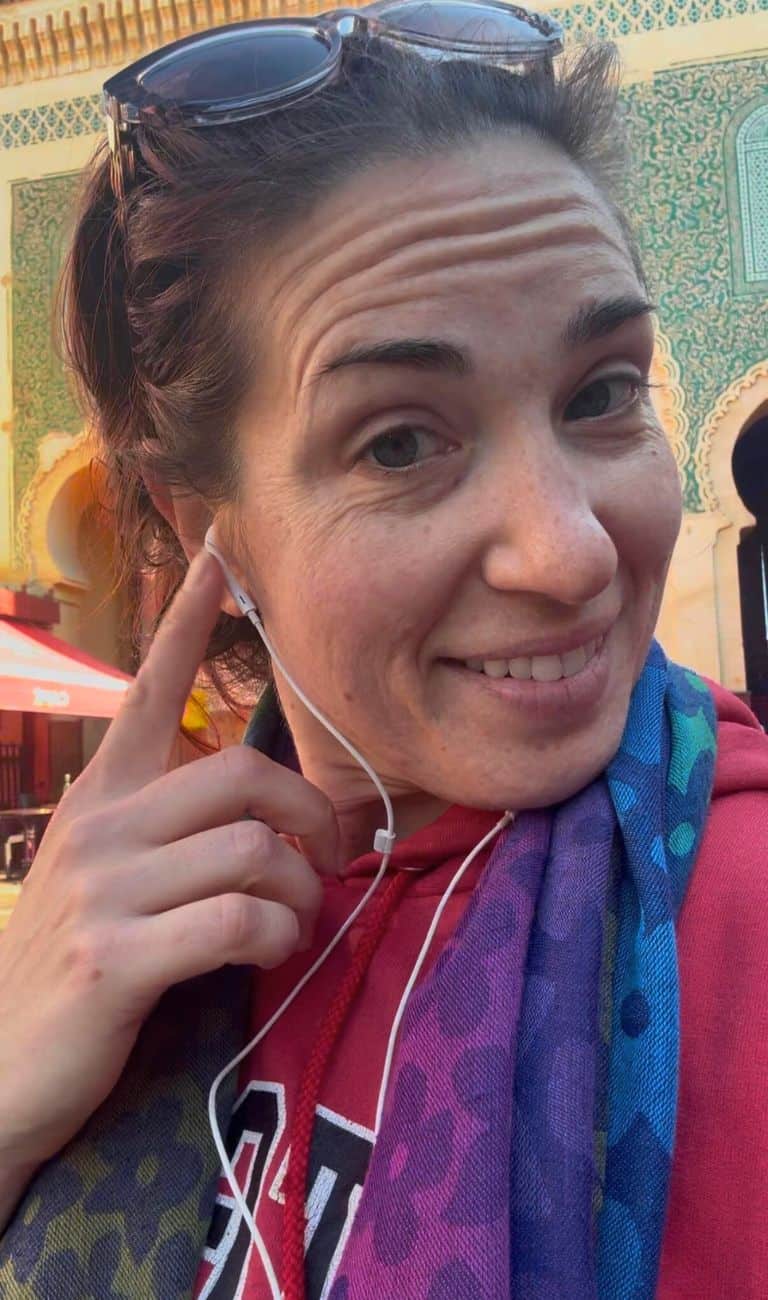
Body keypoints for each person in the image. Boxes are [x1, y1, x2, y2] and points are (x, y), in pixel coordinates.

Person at [0, 4, 766, 1297]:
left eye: (600, 393)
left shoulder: (739, 916)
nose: (570, 552)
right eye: (400, 441)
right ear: (206, 532)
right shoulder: (118, 963)